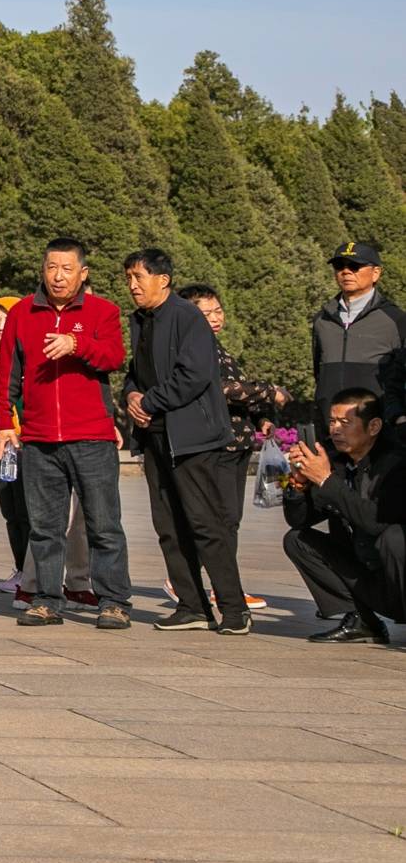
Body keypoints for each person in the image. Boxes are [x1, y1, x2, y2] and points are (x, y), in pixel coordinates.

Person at [0, 237, 132, 629]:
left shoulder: (103, 312)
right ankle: (48, 599)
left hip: (92, 437)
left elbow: (114, 357)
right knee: (45, 527)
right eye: (52, 267)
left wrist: (77, 343)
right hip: (38, 439)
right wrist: (3, 422)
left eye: (67, 269)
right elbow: (7, 375)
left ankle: (114, 601)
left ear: (82, 273)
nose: (58, 276)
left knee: (103, 523)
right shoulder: (22, 313)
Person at [121, 250, 249, 633]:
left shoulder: (186, 316)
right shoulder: (142, 320)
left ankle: (235, 609)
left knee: (205, 524)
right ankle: (192, 605)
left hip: (192, 438)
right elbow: (136, 372)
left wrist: (150, 400)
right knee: (169, 526)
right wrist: (130, 395)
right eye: (128, 277)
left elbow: (193, 375)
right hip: (157, 436)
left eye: (138, 276)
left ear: (163, 279)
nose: (132, 284)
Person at [0, 297, 94, 610]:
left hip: (72, 433)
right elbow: (3, 394)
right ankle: (32, 580)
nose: (1, 324)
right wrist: (3, 427)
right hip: (23, 439)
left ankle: (77, 583)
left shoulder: (63, 340)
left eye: (6, 317)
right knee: (37, 516)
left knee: (79, 517)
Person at [282, 387, 406, 644]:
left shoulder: (395, 464)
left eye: (345, 422)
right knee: (297, 540)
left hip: (396, 574)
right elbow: (300, 519)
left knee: (393, 537)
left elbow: (377, 521)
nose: (335, 429)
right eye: (332, 421)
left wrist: (326, 481)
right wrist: (299, 484)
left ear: (373, 426)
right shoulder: (337, 462)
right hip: (369, 577)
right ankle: (361, 619)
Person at [183, 283, 281, 592]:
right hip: (219, 444)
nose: (215, 318)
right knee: (221, 519)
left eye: (218, 311)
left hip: (237, 443)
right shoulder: (194, 347)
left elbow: (236, 396)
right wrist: (270, 392)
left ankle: (214, 584)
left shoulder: (216, 346)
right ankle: (214, 586)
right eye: (205, 313)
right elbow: (221, 388)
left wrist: (261, 418)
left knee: (228, 518)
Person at [312, 239, 405, 430]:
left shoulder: (395, 319)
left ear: (376, 273)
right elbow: (319, 372)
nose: (346, 271)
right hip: (331, 429)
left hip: (377, 430)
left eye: (355, 266)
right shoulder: (322, 319)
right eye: (340, 266)